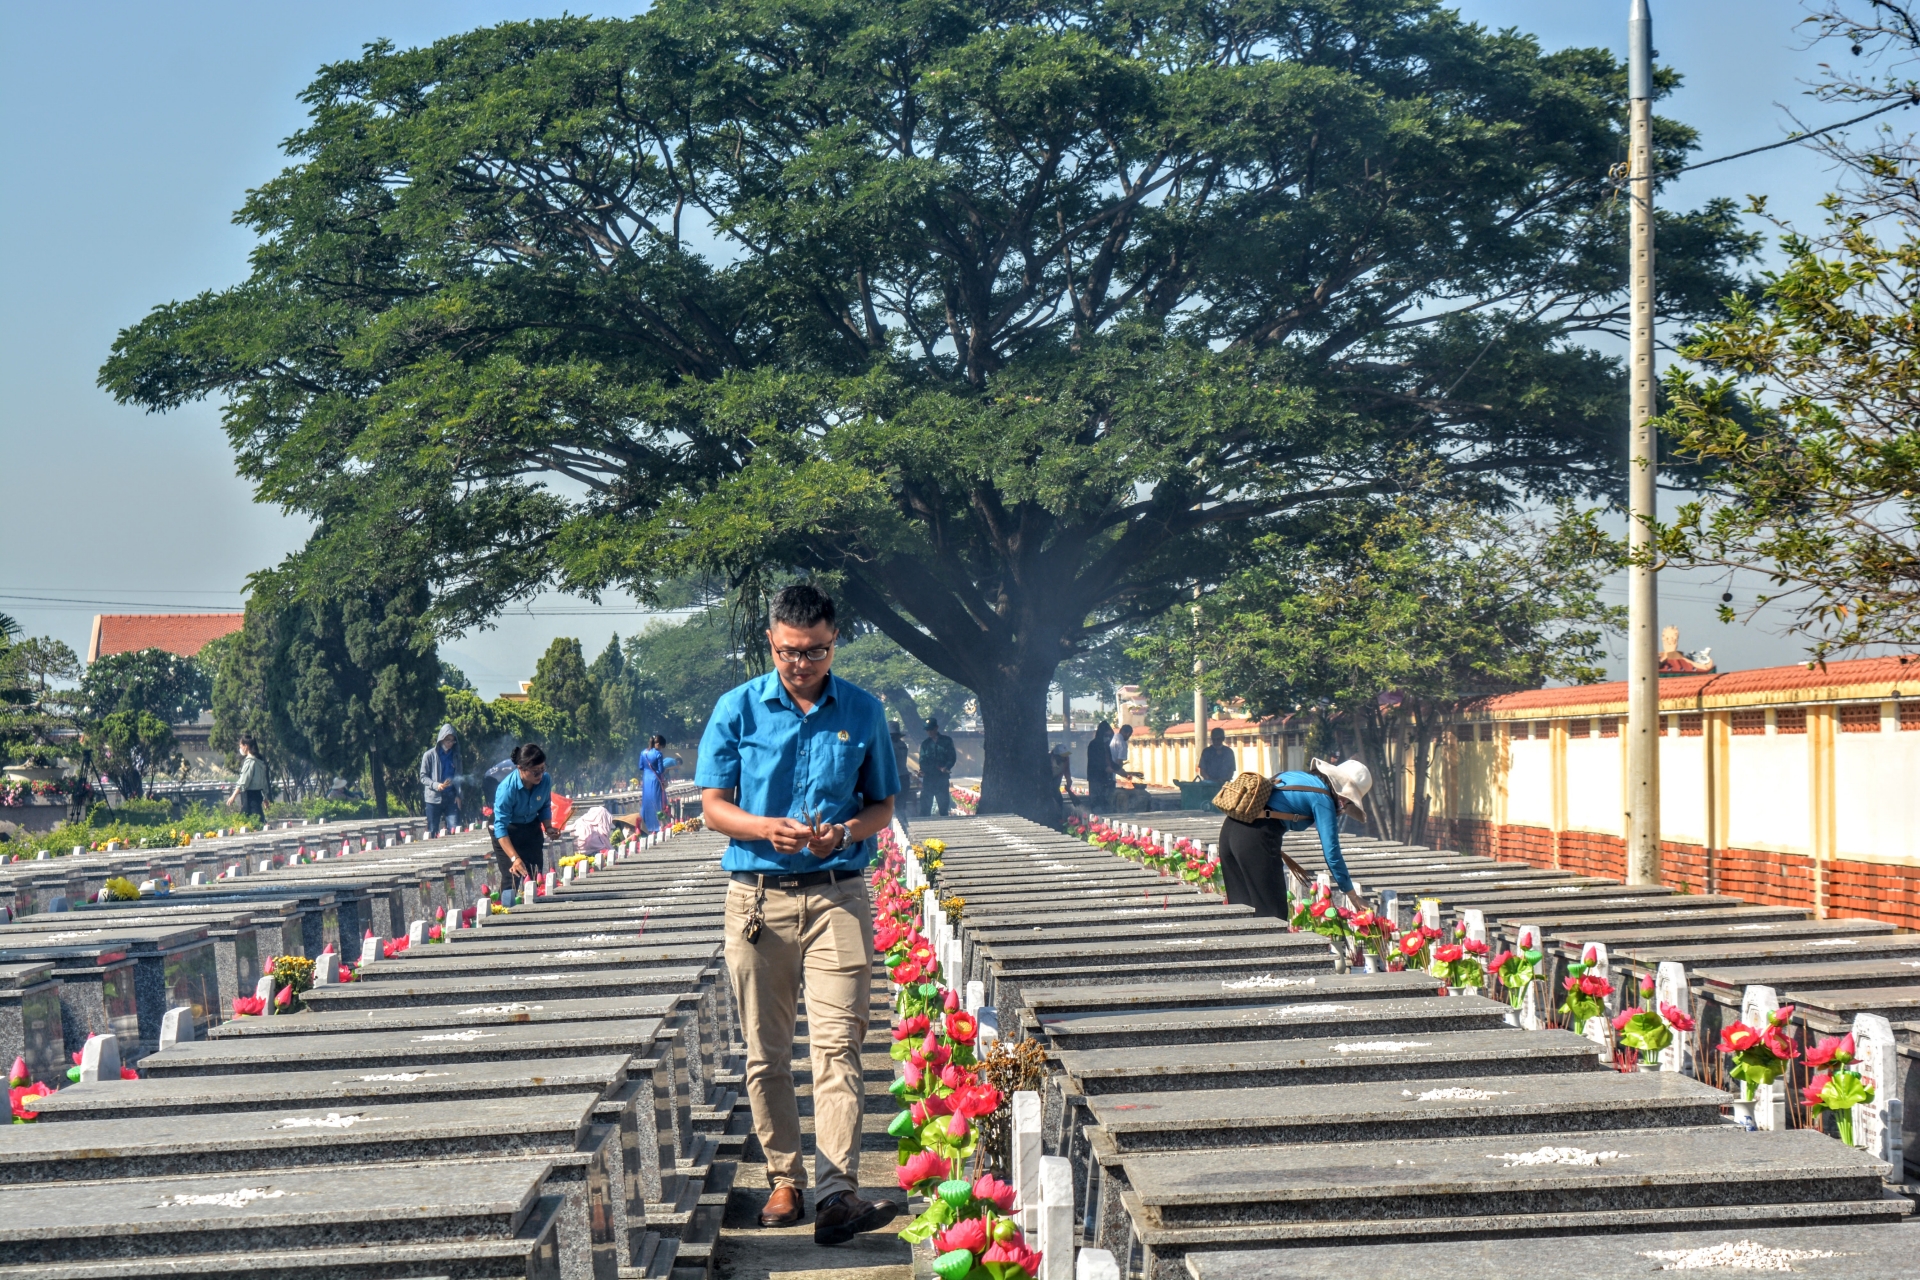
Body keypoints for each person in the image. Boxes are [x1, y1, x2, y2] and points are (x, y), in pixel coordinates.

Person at [696, 583, 900, 1244]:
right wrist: (762, 828)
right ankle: (785, 1179)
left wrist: (842, 833)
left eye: (815, 652)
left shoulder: (864, 712)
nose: (801, 664)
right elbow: (712, 807)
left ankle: (839, 1189)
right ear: (771, 641)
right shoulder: (736, 709)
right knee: (768, 1050)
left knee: (840, 1045)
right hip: (758, 898)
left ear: (835, 642)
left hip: (838, 892)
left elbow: (881, 807)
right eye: (789, 651)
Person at [1218, 756, 1372, 921]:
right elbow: (1332, 853)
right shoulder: (1323, 798)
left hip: (1230, 832)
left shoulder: (1298, 777)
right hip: (1255, 837)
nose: (1343, 807)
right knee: (1273, 917)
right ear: (1343, 794)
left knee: (1243, 911)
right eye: (1347, 802)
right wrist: (1352, 894)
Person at [493, 743, 564, 888]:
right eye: (535, 771)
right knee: (513, 875)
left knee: (535, 874)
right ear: (521, 768)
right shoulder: (507, 789)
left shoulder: (545, 780)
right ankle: (505, 907)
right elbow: (500, 826)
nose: (540, 775)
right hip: (508, 830)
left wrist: (548, 827)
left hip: (531, 826)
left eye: (542, 769)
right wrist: (514, 857)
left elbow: (544, 805)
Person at [420, 723, 461, 835]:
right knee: (432, 830)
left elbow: (459, 778)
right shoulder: (429, 755)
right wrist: (436, 785)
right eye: (447, 740)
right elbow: (423, 777)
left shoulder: (456, 756)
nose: (450, 743)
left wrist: (458, 795)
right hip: (433, 799)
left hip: (451, 798)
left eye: (452, 740)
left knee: (454, 830)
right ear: (441, 739)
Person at [918, 716, 957, 817]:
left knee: (943, 807)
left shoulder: (947, 741)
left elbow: (952, 757)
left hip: (942, 779)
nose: (929, 732)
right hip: (929, 780)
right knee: (925, 808)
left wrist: (947, 767)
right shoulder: (925, 744)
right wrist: (922, 771)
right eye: (927, 730)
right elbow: (922, 760)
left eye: (931, 729)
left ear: (936, 728)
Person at [637, 734, 674, 834]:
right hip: (655, 780)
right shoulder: (658, 754)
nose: (661, 749)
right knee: (658, 802)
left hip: (646, 779)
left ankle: (646, 826)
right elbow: (661, 769)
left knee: (646, 801)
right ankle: (658, 825)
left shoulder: (643, 753)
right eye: (662, 746)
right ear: (658, 744)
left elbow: (641, 767)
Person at [226, 735, 268, 821]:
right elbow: (263, 782)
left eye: (241, 745)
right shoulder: (259, 761)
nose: (240, 748)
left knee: (246, 821)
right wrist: (265, 798)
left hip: (249, 797)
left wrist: (233, 796)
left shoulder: (250, 761)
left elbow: (243, 782)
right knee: (258, 819)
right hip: (258, 794)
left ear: (246, 746)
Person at [1085, 722, 1116, 812]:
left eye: (1110, 736)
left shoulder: (1106, 746)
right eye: (1107, 735)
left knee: (1106, 803)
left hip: (1106, 779)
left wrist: (1119, 770)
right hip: (1096, 778)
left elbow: (1110, 761)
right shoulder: (1094, 745)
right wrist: (1106, 768)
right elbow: (1095, 762)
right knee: (1096, 803)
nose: (1109, 738)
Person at [889, 720, 915, 814]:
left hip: (893, 778)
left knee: (892, 805)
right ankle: (902, 822)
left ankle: (897, 824)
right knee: (901, 804)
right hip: (904, 777)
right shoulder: (902, 744)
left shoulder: (888, 746)